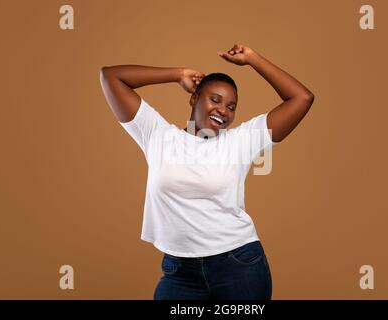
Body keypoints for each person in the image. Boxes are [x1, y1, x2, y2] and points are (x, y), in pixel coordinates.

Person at [99, 44, 314, 300]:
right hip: (180, 271)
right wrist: (177, 74)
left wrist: (253, 59)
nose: (223, 110)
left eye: (231, 106)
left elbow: (302, 98)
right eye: (215, 99)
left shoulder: (241, 141)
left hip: (237, 266)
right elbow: (111, 77)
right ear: (194, 98)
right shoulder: (157, 134)